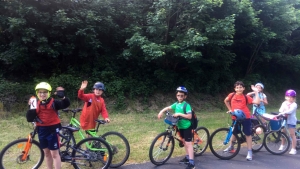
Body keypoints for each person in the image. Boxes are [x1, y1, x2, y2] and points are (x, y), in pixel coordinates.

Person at [26, 82, 70, 169]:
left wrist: (63, 97)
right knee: (46, 153)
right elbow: (30, 118)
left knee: (54, 154)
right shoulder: (35, 103)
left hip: (53, 131)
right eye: (40, 92)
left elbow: (66, 104)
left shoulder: (54, 102)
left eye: (45, 92)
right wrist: (31, 108)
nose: (42, 94)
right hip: (41, 130)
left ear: (49, 93)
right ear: (37, 93)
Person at [157, 86, 195, 169]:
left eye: (182, 96)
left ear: (185, 96)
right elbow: (168, 107)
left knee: (188, 143)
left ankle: (192, 163)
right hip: (180, 126)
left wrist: (179, 114)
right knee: (184, 142)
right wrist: (161, 112)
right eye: (178, 95)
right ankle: (187, 157)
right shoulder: (176, 104)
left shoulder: (186, 105)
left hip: (187, 126)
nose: (180, 97)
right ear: (176, 96)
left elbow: (189, 116)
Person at [224, 81, 260, 161]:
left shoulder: (246, 97)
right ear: (235, 89)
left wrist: (256, 92)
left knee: (248, 134)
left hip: (245, 117)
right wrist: (230, 109)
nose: (239, 89)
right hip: (235, 117)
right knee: (234, 132)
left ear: (243, 88)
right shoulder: (231, 95)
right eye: (237, 87)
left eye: (240, 87)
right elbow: (226, 101)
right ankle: (231, 147)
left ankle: (250, 151)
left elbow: (257, 102)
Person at [278, 89, 297, 155]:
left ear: (294, 98)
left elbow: (290, 111)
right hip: (284, 119)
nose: (290, 98)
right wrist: (282, 112)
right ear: (286, 97)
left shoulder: (294, 104)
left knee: (292, 134)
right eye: (288, 97)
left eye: (292, 97)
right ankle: (282, 145)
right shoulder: (284, 103)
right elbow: (280, 109)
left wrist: (283, 112)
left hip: (291, 120)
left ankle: (293, 149)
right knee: (283, 133)